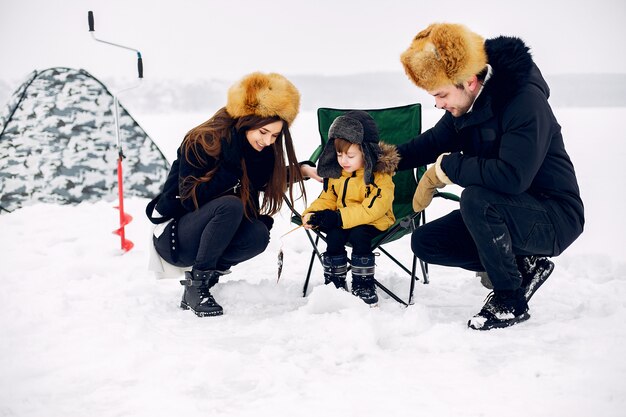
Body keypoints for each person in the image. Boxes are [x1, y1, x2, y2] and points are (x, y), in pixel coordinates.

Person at [396, 23, 584, 330]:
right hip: (510, 210)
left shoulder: (524, 102)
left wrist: (449, 167)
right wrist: (380, 160)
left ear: (469, 81)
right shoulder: (467, 106)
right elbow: (431, 143)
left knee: (477, 198)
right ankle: (523, 265)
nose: (439, 104)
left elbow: (512, 177)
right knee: (427, 242)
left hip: (554, 216)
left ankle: (510, 299)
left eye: (441, 95)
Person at [146, 72, 310, 317]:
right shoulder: (203, 139)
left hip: (211, 231)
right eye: (263, 132)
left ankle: (209, 277)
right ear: (247, 121)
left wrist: (303, 170)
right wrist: (230, 169)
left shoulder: (255, 148)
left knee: (257, 234)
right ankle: (196, 286)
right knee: (230, 206)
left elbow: (264, 180)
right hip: (176, 236)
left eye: (275, 136)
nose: (267, 141)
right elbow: (189, 199)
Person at [301, 111, 399, 306]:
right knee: (335, 235)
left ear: (366, 152)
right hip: (343, 218)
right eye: (339, 154)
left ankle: (363, 283)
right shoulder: (338, 174)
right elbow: (329, 196)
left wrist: (337, 218)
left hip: (373, 221)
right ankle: (334, 283)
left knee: (359, 235)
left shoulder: (380, 176)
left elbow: (374, 208)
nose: (343, 160)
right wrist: (313, 213)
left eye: (350, 155)